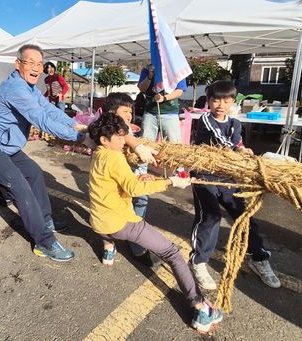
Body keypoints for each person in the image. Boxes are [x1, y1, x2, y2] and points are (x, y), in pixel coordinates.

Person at [86, 113, 223, 334]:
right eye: (120, 138)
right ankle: (200, 308)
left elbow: (116, 184)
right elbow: (133, 189)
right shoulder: (114, 157)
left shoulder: (98, 154)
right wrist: (170, 182)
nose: (124, 142)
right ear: (104, 139)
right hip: (120, 223)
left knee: (108, 229)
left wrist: (142, 179)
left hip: (98, 221)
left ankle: (108, 251)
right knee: (173, 254)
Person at [0, 44, 84, 262]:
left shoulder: (29, 88)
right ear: (18, 64)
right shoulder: (16, 89)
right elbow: (40, 119)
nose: (36, 68)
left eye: (39, 63)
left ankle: (45, 220)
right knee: (21, 190)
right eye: (30, 62)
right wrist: (78, 138)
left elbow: (49, 109)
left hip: (5, 146)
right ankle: (45, 242)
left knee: (34, 173)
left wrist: (76, 126)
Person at [188, 80, 280, 290]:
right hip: (204, 176)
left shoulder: (236, 124)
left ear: (233, 102)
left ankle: (259, 258)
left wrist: (244, 153)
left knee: (244, 215)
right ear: (209, 101)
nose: (220, 104)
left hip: (228, 176)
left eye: (226, 100)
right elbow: (220, 139)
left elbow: (237, 142)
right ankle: (199, 261)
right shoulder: (205, 119)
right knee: (210, 216)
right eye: (216, 100)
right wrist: (238, 151)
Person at [133, 63, 187, 258]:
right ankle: (141, 170)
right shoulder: (148, 69)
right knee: (146, 143)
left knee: (174, 145)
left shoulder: (175, 67)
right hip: (150, 112)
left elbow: (180, 90)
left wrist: (164, 97)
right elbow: (141, 88)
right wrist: (150, 75)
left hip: (170, 112)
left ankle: (179, 170)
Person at [101, 93, 160, 265]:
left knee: (141, 200)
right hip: (112, 182)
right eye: (125, 111)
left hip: (133, 176)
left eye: (131, 111)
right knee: (108, 209)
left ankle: (136, 244)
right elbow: (122, 134)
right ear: (112, 112)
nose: (129, 115)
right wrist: (136, 145)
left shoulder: (131, 129)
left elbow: (130, 139)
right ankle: (109, 244)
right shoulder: (106, 128)